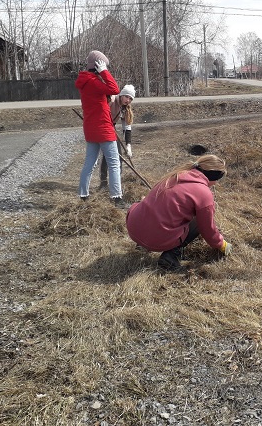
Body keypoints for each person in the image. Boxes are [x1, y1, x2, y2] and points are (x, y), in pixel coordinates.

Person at [125, 154, 232, 271]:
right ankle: (171, 255)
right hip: (155, 239)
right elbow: (207, 229)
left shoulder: (176, 175)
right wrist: (221, 244)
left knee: (146, 202)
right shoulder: (204, 193)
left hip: (134, 228)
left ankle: (141, 245)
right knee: (198, 222)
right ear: (214, 178)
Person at [76, 50, 127, 207]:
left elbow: (102, 96)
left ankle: (83, 195)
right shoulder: (93, 81)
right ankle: (116, 198)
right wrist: (104, 71)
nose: (107, 69)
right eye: (105, 65)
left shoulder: (85, 82)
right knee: (114, 163)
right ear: (98, 65)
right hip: (103, 129)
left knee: (89, 164)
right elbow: (114, 88)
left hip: (90, 129)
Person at [99, 84, 135, 189]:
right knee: (110, 155)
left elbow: (127, 128)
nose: (128, 100)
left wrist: (128, 146)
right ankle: (104, 183)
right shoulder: (112, 99)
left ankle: (116, 182)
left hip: (111, 128)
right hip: (102, 127)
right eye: (126, 96)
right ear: (122, 95)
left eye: (130, 98)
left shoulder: (125, 109)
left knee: (118, 156)